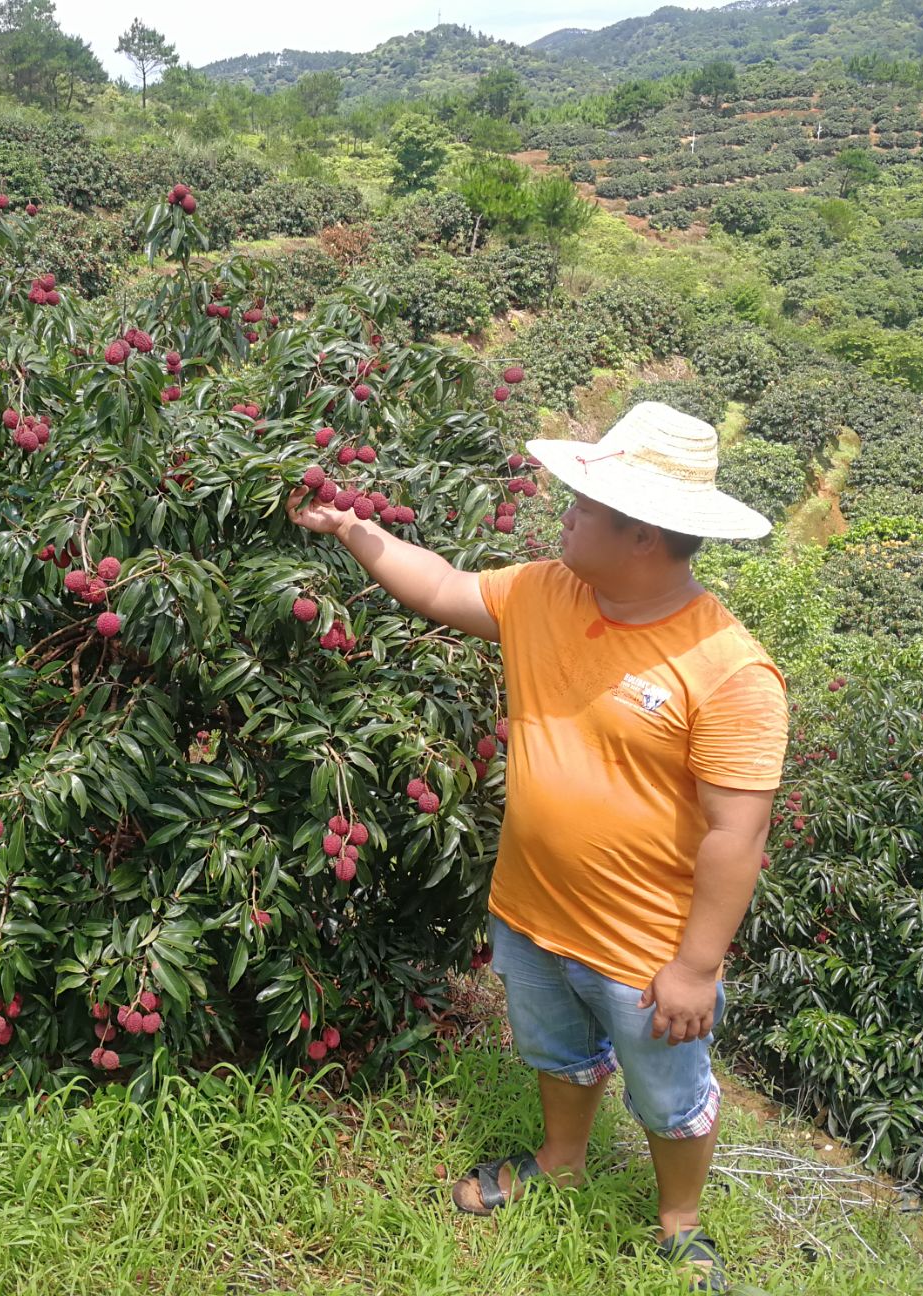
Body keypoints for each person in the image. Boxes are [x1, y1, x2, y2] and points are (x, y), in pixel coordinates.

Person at [287, 402, 787, 1293]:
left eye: (583, 506)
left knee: (670, 1100)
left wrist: (697, 968)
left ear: (642, 535)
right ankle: (561, 1160)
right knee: (558, 1056)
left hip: (646, 949)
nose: (565, 514)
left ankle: (680, 1223)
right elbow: (441, 587)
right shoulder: (547, 592)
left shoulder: (729, 670)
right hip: (531, 905)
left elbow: (735, 835)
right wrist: (352, 529)